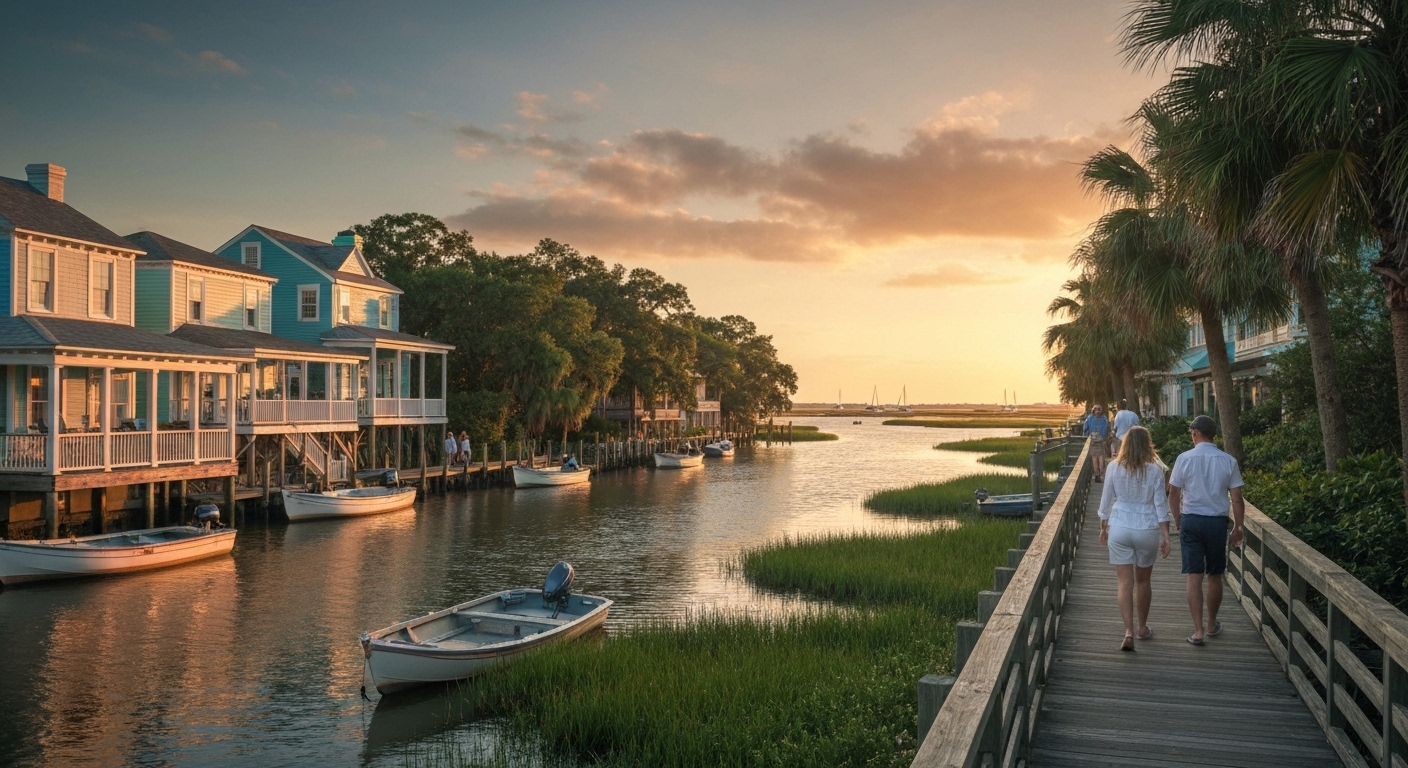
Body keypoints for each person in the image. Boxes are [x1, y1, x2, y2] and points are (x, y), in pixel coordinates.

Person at [1169, 415, 1245, 646]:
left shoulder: (1184, 458)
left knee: (1194, 575)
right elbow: (1237, 498)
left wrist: (1178, 519)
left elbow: (1173, 493)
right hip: (1216, 522)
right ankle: (1212, 623)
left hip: (1191, 520)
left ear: (1195, 433)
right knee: (1214, 574)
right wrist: (1239, 526)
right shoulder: (1228, 460)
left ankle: (1198, 631)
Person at [1097, 425, 1172, 651]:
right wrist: (1166, 536)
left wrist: (1103, 527)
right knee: (1143, 581)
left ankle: (1128, 631)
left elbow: (1105, 501)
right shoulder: (1155, 471)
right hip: (1146, 528)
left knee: (1124, 582)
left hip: (1119, 527)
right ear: (1147, 444)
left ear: (1125, 444)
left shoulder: (1112, 468)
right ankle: (1142, 628)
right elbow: (1161, 505)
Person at [1083, 404, 1111, 481]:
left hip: (1093, 440)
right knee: (1101, 456)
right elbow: (1107, 429)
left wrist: (1086, 434)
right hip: (1101, 440)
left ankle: (1096, 474)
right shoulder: (1104, 418)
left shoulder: (1090, 418)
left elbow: (1085, 428)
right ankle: (1101, 474)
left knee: (1094, 458)